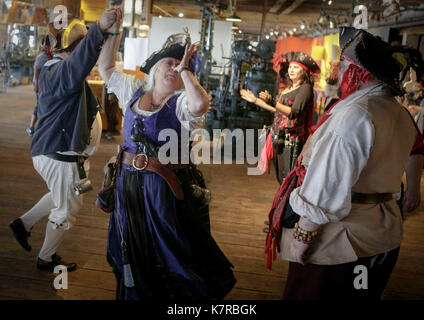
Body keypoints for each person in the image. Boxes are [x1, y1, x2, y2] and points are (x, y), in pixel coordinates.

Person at [265, 27, 424, 299]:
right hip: (380, 230)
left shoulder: (356, 114)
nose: (339, 73)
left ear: (358, 73)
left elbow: (328, 183)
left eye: (344, 66)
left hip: (341, 240)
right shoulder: (397, 112)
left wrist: (303, 237)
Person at [97, 11, 236, 300]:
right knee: (130, 246)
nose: (174, 68)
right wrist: (113, 31)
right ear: (155, 67)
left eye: (182, 66)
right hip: (128, 187)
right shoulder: (133, 91)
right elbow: (106, 67)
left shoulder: (182, 104)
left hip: (165, 190)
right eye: (169, 63)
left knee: (170, 251)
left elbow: (200, 103)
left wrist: (186, 70)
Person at [9, 9, 118, 272]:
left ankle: (23, 224)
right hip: (59, 154)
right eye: (82, 48)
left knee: (63, 196)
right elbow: (80, 63)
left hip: (56, 152)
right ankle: (46, 258)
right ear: (72, 49)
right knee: (65, 210)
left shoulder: (55, 71)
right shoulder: (61, 72)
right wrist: (100, 29)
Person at [240, 52, 320, 184]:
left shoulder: (305, 88)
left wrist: (272, 101)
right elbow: (278, 111)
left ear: (305, 71)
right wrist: (255, 100)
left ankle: (287, 203)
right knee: (281, 178)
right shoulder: (289, 88)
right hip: (279, 137)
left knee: (288, 179)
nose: (291, 70)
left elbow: (294, 112)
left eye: (296, 67)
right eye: (290, 67)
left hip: (292, 140)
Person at [26, 37, 52, 137]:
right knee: (40, 104)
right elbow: (36, 69)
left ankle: (41, 127)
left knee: (44, 104)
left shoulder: (50, 55)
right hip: (40, 84)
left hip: (46, 84)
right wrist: (37, 85)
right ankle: (32, 127)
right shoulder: (43, 56)